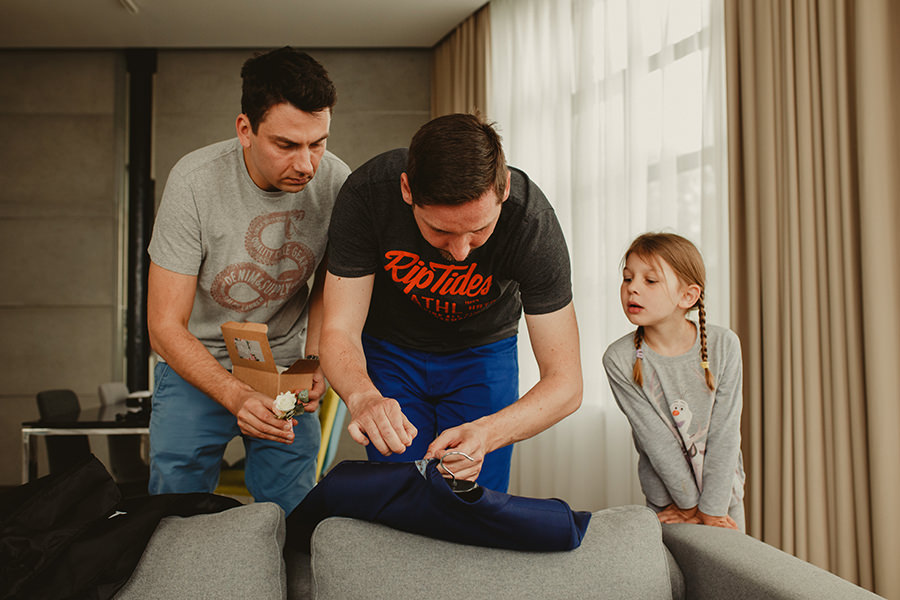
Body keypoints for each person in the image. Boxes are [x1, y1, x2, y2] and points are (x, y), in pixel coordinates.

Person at [320, 112, 583, 492]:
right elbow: (339, 329)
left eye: (479, 229)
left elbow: (566, 382)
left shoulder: (531, 223)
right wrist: (362, 397)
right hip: (390, 351)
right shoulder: (367, 195)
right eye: (439, 230)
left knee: (472, 499)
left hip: (484, 353)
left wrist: (488, 432)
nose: (460, 253)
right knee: (402, 495)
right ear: (407, 190)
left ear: (504, 189)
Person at [146, 47, 350, 513]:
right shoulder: (193, 183)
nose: (307, 164)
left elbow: (329, 282)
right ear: (245, 130)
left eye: (317, 143)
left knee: (292, 507)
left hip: (282, 364)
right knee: (176, 511)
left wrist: (314, 359)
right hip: (196, 362)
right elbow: (164, 326)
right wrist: (235, 394)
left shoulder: (336, 181)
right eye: (286, 145)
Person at [602, 232, 746, 530]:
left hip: (722, 502)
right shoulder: (619, 358)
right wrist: (688, 507)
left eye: (650, 280)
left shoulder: (724, 345)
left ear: (688, 296)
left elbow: (725, 433)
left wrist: (711, 511)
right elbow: (656, 442)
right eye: (627, 278)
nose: (632, 288)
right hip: (670, 505)